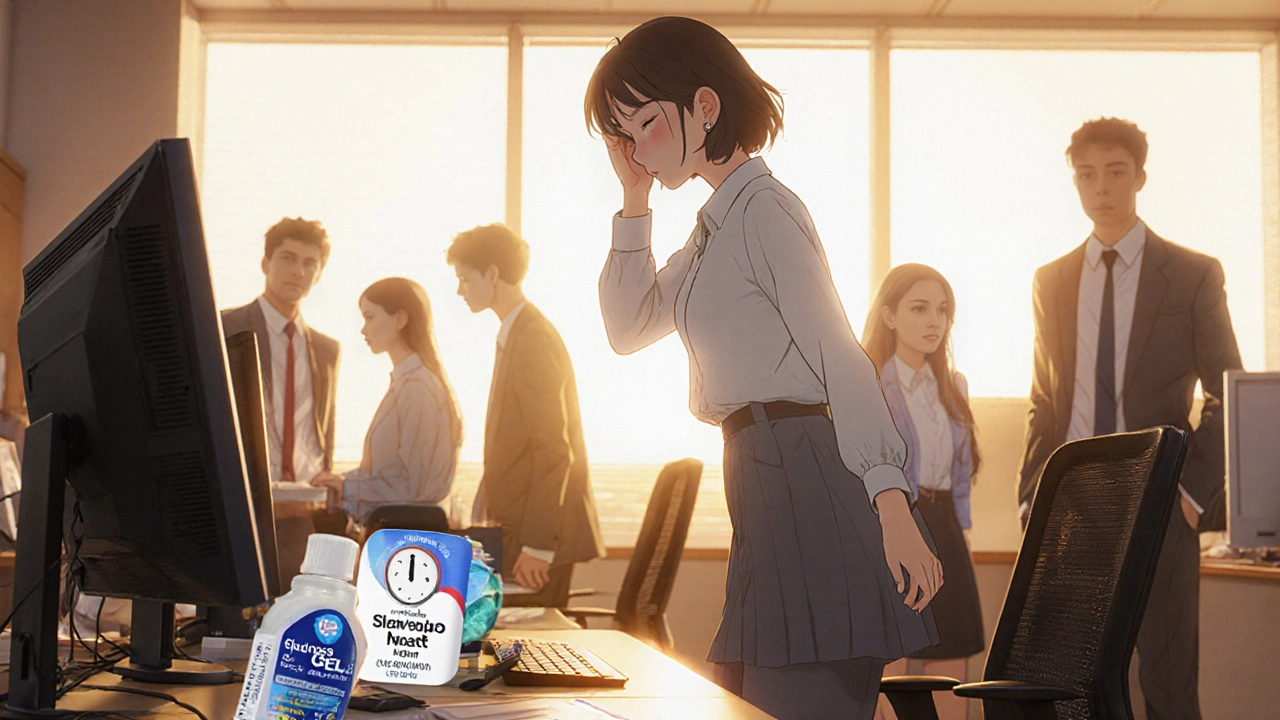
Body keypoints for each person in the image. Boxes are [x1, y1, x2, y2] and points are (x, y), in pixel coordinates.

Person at [586, 17, 942, 720]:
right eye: (622, 134)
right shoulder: (714, 227)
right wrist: (634, 200)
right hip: (760, 479)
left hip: (809, 475)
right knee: (748, 699)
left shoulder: (766, 213)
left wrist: (892, 504)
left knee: (795, 697)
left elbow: (839, 353)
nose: (637, 149)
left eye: (648, 124)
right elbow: (626, 330)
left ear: (706, 107)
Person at [1017, 117, 1242, 720]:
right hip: (1075, 509)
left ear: (1140, 177)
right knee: (1069, 690)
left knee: (1168, 686)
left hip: (1162, 503)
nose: (1101, 188)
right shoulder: (1051, 281)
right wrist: (1030, 494)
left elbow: (1227, 391)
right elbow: (1046, 398)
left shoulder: (1193, 275)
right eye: (1086, 175)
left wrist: (1191, 495)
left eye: (1115, 172)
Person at [447, 223, 604, 608]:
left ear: (493, 274)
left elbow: (554, 448)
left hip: (538, 541)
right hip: (520, 532)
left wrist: (537, 544)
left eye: (465, 279)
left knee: (527, 655)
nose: (459, 290)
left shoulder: (532, 339)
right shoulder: (517, 333)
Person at [862, 264, 984, 720]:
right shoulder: (867, 380)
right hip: (892, 527)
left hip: (947, 525)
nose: (935, 321)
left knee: (951, 659)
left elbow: (962, 469)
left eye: (943, 310)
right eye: (920, 308)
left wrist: (964, 531)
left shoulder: (955, 386)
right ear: (890, 316)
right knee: (887, 661)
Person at [222, 217, 340, 582]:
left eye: (310, 263)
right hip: (243, 506)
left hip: (305, 515)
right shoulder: (225, 327)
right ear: (266, 264)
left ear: (318, 274)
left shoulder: (326, 349)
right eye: (288, 258)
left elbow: (324, 428)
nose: (298, 271)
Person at [311, 277, 461, 525]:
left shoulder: (418, 387)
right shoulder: (404, 384)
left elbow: (414, 487)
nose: (363, 329)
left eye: (370, 317)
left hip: (410, 537)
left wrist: (347, 487)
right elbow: (387, 475)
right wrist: (340, 482)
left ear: (400, 319)